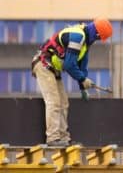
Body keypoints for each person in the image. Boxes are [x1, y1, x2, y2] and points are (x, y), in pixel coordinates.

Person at [31, 17, 113, 146]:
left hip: (52, 68)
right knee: (54, 101)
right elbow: (69, 65)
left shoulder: (85, 42)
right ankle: (53, 138)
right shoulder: (77, 36)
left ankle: (63, 138)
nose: (97, 41)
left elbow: (82, 66)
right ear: (96, 34)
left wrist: (83, 87)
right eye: (99, 38)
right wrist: (82, 79)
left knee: (63, 102)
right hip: (43, 65)